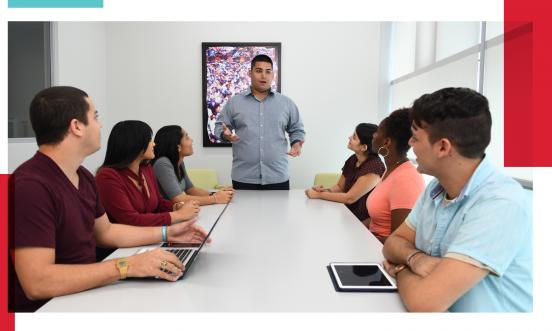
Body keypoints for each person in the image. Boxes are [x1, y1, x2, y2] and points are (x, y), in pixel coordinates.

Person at [9, 86, 210, 312]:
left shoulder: (83, 176)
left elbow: (106, 232)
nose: (100, 124)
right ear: (76, 126)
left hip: (85, 293)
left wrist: (169, 233)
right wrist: (127, 266)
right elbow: (38, 283)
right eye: (95, 116)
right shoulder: (31, 186)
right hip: (51, 309)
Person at [382, 87, 532, 312]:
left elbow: (424, 303)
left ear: (443, 147)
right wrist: (415, 259)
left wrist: (401, 268)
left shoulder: (500, 203)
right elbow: (393, 243)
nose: (410, 144)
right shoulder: (437, 187)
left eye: (415, 137)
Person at [214, 54, 306, 190]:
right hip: (244, 177)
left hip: (277, 176)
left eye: (268, 71)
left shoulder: (286, 103)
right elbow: (218, 128)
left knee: (279, 212)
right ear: (249, 73)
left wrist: (296, 143)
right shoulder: (235, 102)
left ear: (272, 75)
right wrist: (224, 134)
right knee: (243, 212)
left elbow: (297, 129)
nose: (263, 76)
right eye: (258, 71)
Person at [96, 121, 200, 227]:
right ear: (135, 144)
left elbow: (159, 203)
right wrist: (178, 215)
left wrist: (176, 207)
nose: (154, 144)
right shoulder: (107, 177)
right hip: (128, 240)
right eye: (150, 140)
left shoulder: (146, 169)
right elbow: (130, 220)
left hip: (148, 235)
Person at [366, 108, 425, 243]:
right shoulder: (391, 170)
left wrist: (362, 239)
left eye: (377, 132)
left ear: (386, 142)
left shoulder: (406, 179)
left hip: (383, 254)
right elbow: (378, 219)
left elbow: (399, 241)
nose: (373, 136)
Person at [305, 123, 385, 221]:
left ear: (363, 147)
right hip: (346, 214)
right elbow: (339, 187)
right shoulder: (353, 159)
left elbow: (350, 198)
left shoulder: (375, 167)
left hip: (363, 223)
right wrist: (323, 190)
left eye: (354, 137)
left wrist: (318, 195)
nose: (349, 137)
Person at [153, 125, 234, 205]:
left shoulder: (179, 162)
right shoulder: (162, 163)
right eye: (187, 138)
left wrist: (217, 194)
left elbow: (191, 189)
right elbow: (178, 199)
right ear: (178, 147)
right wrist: (215, 199)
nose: (191, 140)